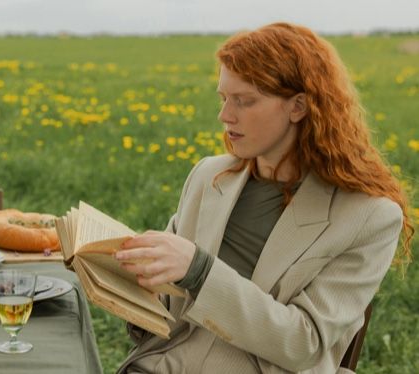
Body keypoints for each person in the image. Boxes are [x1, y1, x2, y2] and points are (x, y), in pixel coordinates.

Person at [115, 22, 414, 373]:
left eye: (244, 101)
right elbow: (171, 301)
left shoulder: (369, 216)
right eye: (224, 98)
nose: (225, 116)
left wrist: (200, 271)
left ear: (298, 107)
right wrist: (128, 290)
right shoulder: (207, 176)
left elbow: (304, 344)